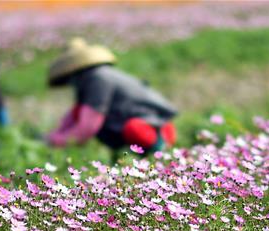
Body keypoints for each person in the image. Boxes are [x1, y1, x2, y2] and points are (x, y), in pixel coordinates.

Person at [46, 38, 178, 157]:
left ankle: (157, 154)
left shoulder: (98, 78)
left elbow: (89, 125)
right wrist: (57, 134)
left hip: (154, 129)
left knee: (133, 129)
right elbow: (76, 115)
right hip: (141, 125)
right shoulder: (91, 79)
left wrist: (58, 140)